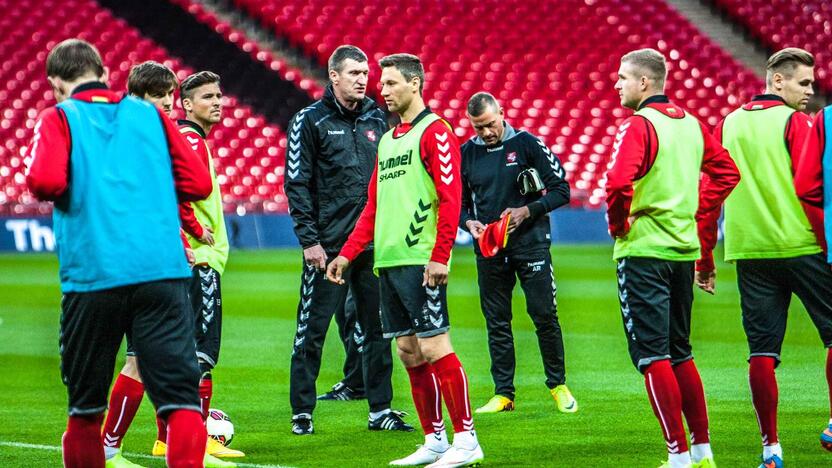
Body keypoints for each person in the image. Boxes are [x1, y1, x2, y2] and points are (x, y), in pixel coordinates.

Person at [25, 38, 212, 468]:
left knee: (85, 410)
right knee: (181, 402)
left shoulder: (59, 118)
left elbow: (46, 182)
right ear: (105, 75)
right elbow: (199, 185)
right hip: (161, 273)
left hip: (94, 276)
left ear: (56, 84)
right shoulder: (150, 115)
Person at [328, 53, 484, 467]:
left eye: (392, 83)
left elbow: (451, 200)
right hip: (390, 261)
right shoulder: (388, 140)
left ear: (415, 83)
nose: (384, 89)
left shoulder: (436, 132)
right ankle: (435, 439)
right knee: (409, 353)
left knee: (435, 346)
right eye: (383, 83)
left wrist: (441, 254)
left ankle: (466, 439)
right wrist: (347, 254)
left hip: (421, 260)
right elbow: (373, 208)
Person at [605, 48, 739, 468]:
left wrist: (620, 226)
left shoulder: (640, 126)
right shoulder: (693, 127)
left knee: (653, 356)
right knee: (680, 351)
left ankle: (677, 455)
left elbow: (617, 184)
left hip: (644, 251)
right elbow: (727, 173)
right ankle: (702, 451)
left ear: (644, 83)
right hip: (683, 251)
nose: (617, 84)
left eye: (623, 77)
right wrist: (699, 210)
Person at [714, 47, 832, 468]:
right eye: (803, 82)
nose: (810, 91)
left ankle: (770, 449)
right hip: (802, 244)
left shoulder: (729, 123)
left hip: (750, 250)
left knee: (762, 352)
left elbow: (717, 183)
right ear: (777, 80)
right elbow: (811, 188)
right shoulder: (798, 123)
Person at [283, 45, 405, 434]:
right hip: (328, 247)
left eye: (364, 72)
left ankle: (380, 410)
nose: (362, 79)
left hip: (371, 246)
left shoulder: (377, 118)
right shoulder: (309, 121)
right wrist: (309, 241)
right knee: (311, 331)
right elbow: (296, 183)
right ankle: (302, 412)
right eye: (353, 72)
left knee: (377, 331)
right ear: (333, 76)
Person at [459, 91, 577, 414]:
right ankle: (504, 394)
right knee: (497, 321)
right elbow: (457, 201)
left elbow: (561, 189)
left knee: (543, 314)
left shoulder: (527, 144)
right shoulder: (466, 153)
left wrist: (528, 211)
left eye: (489, 124)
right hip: (490, 248)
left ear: (501, 112)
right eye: (478, 127)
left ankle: (558, 385)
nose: (485, 133)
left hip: (531, 244)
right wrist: (469, 222)